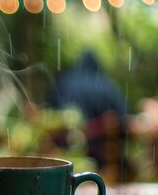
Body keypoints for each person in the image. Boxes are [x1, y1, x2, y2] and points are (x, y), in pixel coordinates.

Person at [46, 51, 128, 181]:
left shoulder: (64, 83)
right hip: (102, 157)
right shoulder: (107, 85)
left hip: (66, 155)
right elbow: (123, 121)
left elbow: (49, 117)